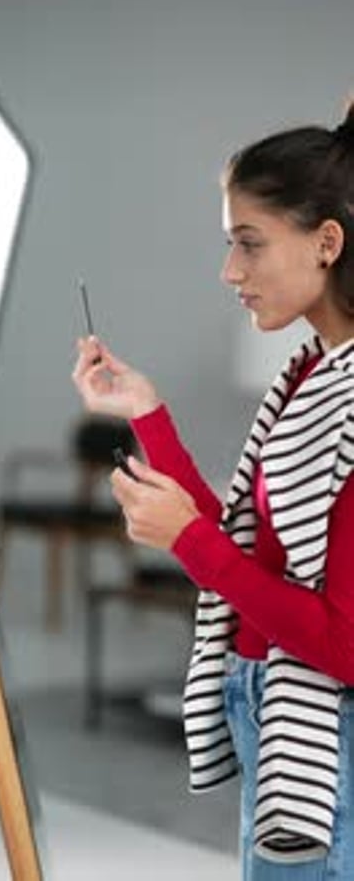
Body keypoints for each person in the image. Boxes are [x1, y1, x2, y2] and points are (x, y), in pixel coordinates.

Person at [71, 101, 354, 880]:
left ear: (327, 243)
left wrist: (186, 540)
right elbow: (242, 547)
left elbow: (345, 643)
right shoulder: (308, 378)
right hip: (281, 723)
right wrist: (147, 413)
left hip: (327, 752)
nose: (230, 271)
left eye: (248, 243)